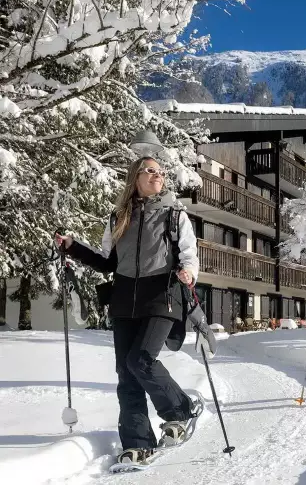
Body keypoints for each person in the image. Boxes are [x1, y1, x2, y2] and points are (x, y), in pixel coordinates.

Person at [54, 154, 205, 464]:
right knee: (126, 371)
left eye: (161, 172)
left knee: (142, 360)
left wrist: (188, 271)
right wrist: (73, 246)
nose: (157, 176)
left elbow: (189, 254)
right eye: (150, 171)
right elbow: (108, 262)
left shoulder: (174, 216)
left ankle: (179, 410)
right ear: (136, 177)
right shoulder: (119, 217)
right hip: (124, 301)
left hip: (162, 297)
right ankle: (137, 441)